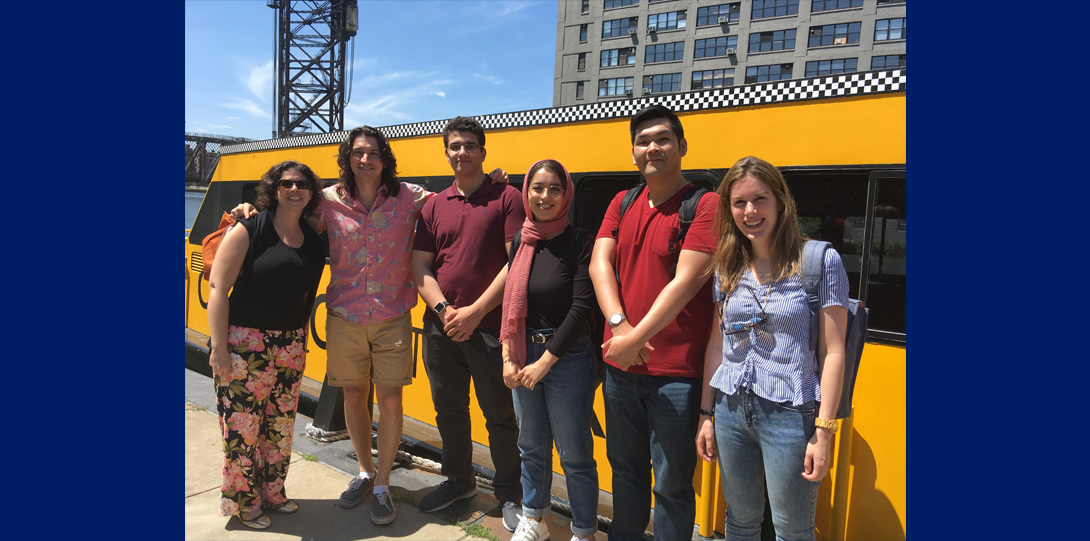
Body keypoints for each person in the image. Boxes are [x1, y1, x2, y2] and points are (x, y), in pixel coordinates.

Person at [229, 126, 508, 526]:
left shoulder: (410, 197)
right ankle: (363, 471)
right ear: (348, 158)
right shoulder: (325, 201)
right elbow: (285, 218)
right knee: (355, 396)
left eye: (373, 153)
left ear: (384, 158)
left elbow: (456, 197)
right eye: (358, 153)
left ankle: (381, 484)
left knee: (390, 400)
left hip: (393, 315)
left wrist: (494, 180)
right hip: (345, 315)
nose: (365, 159)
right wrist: (247, 212)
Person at [695, 156, 849, 541]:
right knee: (740, 522)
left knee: (792, 530)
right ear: (729, 210)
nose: (750, 211)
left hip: (790, 417)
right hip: (731, 410)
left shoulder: (818, 261)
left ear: (780, 202)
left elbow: (833, 352)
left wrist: (824, 431)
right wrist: (706, 413)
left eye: (760, 199)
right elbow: (718, 343)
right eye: (739, 203)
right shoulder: (727, 264)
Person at [588, 104, 719, 541]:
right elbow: (599, 265)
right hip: (620, 365)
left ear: (682, 146)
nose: (653, 147)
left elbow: (686, 281)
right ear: (633, 153)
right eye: (643, 141)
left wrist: (632, 338)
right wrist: (620, 328)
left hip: (677, 375)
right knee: (625, 473)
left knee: (672, 485)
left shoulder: (705, 205)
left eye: (663, 139)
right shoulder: (622, 202)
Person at [412, 116, 526, 532]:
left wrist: (475, 311)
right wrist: (444, 311)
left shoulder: (507, 197)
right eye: (455, 146)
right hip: (441, 328)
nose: (462, 152)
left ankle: (510, 495)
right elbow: (420, 266)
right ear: (446, 152)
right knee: (449, 410)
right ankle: (458, 481)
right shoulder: (433, 205)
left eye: (470, 146)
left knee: (499, 415)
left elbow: (517, 262)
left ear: (482, 151)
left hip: (490, 327)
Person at [207, 161, 326, 530]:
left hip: (290, 343)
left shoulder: (312, 233)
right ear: (274, 188)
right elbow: (217, 289)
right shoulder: (249, 228)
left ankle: (273, 491)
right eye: (287, 183)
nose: (295, 189)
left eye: (303, 184)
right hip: (245, 344)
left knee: (280, 425)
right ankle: (244, 503)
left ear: (311, 191)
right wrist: (219, 349)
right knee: (243, 428)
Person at [500, 160, 599, 541]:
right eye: (537, 188)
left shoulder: (579, 242)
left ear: (566, 194)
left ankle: (584, 530)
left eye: (554, 188)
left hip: (566, 357)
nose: (545, 196)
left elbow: (581, 309)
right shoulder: (519, 241)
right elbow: (512, 306)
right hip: (523, 350)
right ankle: (533, 518)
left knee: (575, 453)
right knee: (531, 446)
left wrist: (545, 361)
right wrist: (509, 357)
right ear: (526, 192)